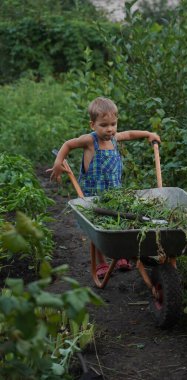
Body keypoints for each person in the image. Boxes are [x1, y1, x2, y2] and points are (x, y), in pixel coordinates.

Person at [47, 97, 161, 279]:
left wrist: (148, 134)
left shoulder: (114, 138)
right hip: (94, 196)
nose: (110, 129)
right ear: (93, 125)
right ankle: (100, 261)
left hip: (115, 194)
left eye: (113, 124)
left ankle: (120, 254)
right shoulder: (90, 141)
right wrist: (58, 162)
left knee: (120, 222)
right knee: (97, 230)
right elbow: (68, 144)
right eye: (104, 125)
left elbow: (130, 134)